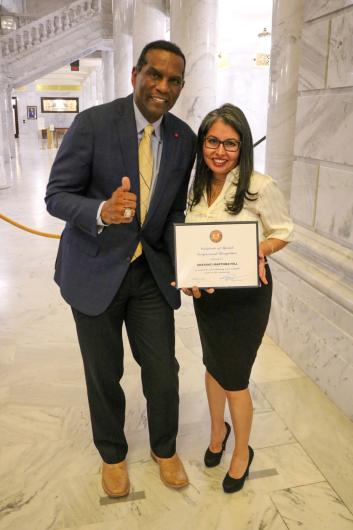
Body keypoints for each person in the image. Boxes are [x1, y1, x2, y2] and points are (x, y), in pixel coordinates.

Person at [45, 40, 196, 497]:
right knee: (103, 371)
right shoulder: (93, 123)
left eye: (173, 81)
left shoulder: (182, 138)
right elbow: (55, 195)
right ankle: (112, 455)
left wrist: (190, 264)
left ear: (180, 88)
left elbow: (172, 215)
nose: (161, 87)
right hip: (94, 271)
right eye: (154, 75)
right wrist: (100, 211)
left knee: (162, 369)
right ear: (135, 75)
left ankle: (164, 448)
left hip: (149, 271)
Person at [181, 103, 293, 493]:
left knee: (236, 378)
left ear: (242, 146)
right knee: (212, 364)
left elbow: (283, 230)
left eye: (230, 143)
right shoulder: (195, 186)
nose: (220, 151)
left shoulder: (259, 185)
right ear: (203, 143)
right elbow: (191, 241)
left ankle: (242, 451)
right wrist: (187, 275)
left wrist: (257, 250)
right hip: (208, 296)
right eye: (212, 140)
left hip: (247, 296)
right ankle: (218, 431)